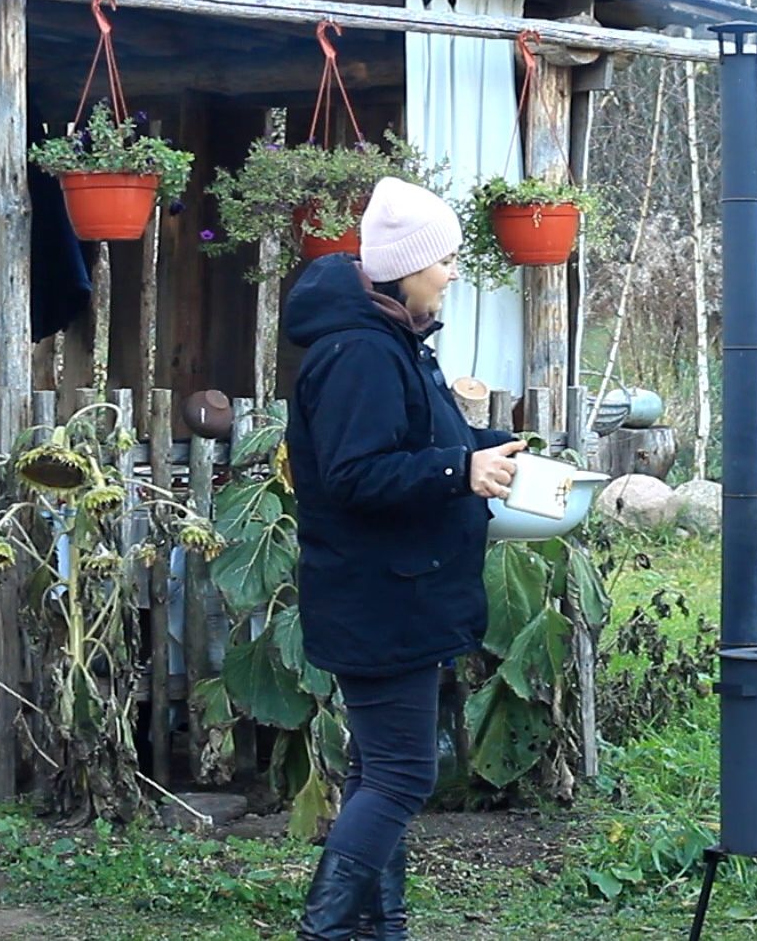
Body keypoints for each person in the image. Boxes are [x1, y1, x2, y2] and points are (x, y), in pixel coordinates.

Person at [283, 176, 527, 940]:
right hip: (378, 593)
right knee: (402, 775)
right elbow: (357, 475)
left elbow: (416, 444)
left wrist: (491, 452)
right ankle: (324, 931)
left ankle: (377, 931)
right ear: (407, 266)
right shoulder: (360, 352)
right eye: (447, 260)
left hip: (397, 589)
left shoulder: (394, 340)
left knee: (376, 771)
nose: (454, 273)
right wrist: (461, 473)